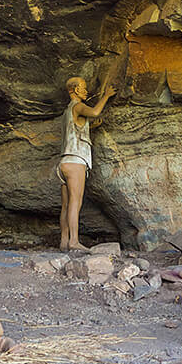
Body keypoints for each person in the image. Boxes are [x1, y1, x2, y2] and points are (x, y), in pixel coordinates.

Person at [58, 76, 114, 251]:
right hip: (76, 161)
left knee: (66, 205)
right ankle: (74, 241)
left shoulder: (67, 112)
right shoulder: (78, 106)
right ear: (74, 90)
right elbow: (95, 112)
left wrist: (92, 127)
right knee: (76, 202)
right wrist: (106, 96)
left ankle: (64, 241)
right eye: (82, 87)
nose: (86, 90)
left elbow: (77, 129)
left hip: (63, 162)